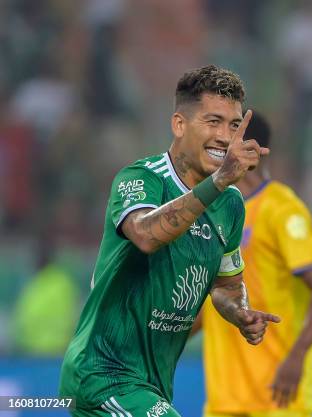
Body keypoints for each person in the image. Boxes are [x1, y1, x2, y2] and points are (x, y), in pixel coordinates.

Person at [59, 65, 281, 417]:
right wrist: (221, 180)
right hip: (103, 374)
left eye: (234, 125)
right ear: (179, 124)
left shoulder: (230, 205)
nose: (225, 136)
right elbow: (146, 235)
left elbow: (226, 285)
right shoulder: (140, 179)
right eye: (213, 122)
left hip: (155, 385)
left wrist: (239, 311)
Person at [191, 112, 312, 417]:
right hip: (225, 400)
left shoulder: (281, 209)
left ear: (250, 151)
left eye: (223, 143)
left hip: (278, 396)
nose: (215, 152)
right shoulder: (213, 214)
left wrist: (297, 357)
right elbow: (209, 304)